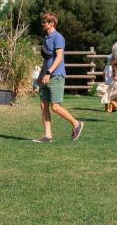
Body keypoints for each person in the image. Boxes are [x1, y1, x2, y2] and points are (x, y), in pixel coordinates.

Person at [33, 12, 83, 143]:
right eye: (42, 21)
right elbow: (47, 59)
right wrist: (41, 74)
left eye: (45, 22)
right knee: (44, 106)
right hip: (46, 75)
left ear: (52, 23)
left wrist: (49, 73)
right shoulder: (46, 37)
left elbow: (59, 57)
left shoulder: (58, 37)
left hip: (55, 76)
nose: (42, 24)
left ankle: (76, 124)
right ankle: (47, 135)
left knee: (55, 107)